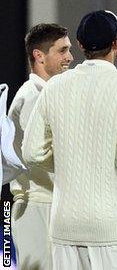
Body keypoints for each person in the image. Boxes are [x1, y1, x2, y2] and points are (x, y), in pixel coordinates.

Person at [21, 10, 117, 270]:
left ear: (80, 45)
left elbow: (31, 152)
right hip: (112, 225)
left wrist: (69, 164)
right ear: (116, 44)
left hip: (66, 224)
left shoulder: (55, 87)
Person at [8, 23, 73, 269]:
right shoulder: (31, 98)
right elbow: (37, 157)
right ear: (39, 55)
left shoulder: (46, 94)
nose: (70, 56)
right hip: (37, 207)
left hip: (48, 205)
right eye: (62, 50)